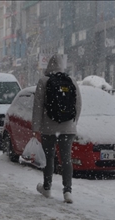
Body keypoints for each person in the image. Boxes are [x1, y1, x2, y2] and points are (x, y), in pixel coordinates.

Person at [32, 54, 81, 203]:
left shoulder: (44, 81)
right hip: (68, 127)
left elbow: (38, 106)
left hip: (49, 127)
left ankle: (47, 188)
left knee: (49, 158)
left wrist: (36, 128)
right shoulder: (71, 81)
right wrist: (73, 123)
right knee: (66, 159)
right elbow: (78, 105)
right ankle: (67, 191)